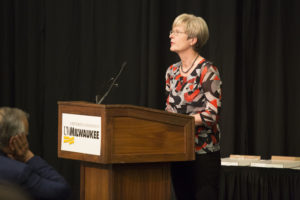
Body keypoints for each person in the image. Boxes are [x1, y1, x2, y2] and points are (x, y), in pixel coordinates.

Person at [165, 13, 222, 200]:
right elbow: (169, 111)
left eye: (176, 32)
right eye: (171, 31)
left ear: (192, 39)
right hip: (178, 150)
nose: (170, 36)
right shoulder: (172, 71)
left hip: (203, 152)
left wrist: (180, 122)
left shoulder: (207, 70)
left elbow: (210, 115)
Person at [0, 107, 71, 200]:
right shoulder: (19, 173)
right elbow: (62, 190)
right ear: (14, 141)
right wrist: (27, 156)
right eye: (25, 136)